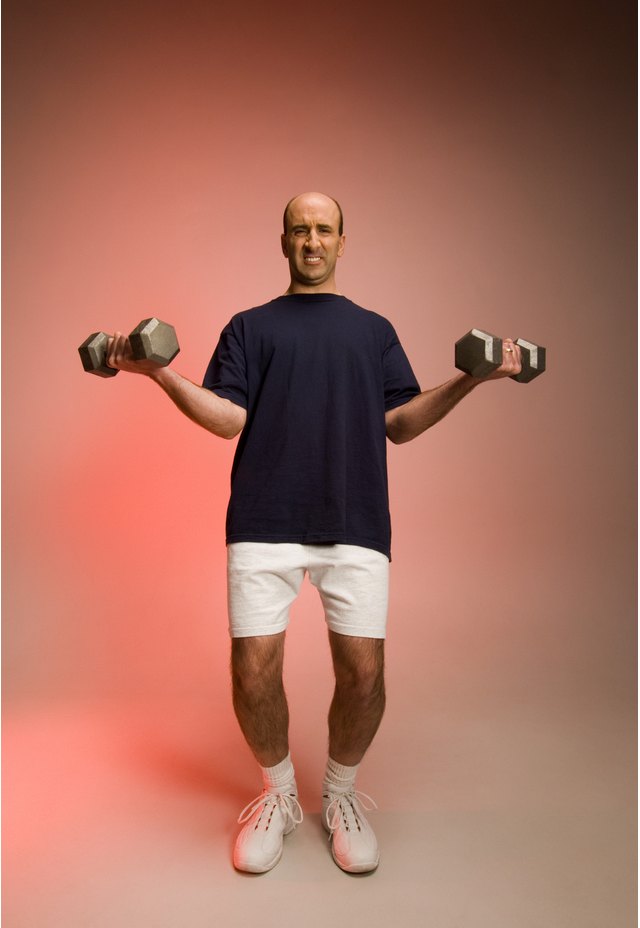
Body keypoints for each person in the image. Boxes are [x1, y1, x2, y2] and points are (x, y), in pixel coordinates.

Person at [106, 191, 522, 875]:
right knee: (253, 670)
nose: (312, 240)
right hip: (265, 519)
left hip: (354, 519)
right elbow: (225, 419)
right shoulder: (250, 327)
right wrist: (157, 373)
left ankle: (340, 796)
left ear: (341, 241)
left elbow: (402, 423)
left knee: (365, 673)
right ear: (283, 241)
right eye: (300, 229)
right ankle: (277, 795)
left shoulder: (374, 330)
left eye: (324, 229)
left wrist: (470, 382)